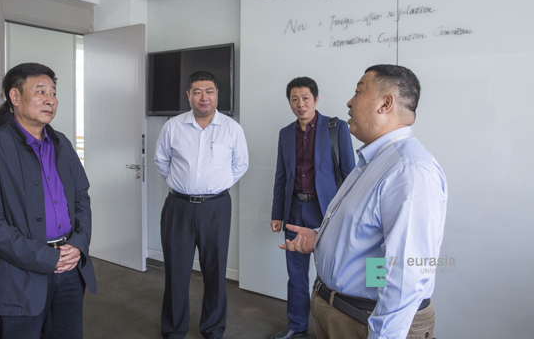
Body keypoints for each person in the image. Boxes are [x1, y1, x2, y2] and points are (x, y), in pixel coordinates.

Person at [281, 64, 447, 339]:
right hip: (346, 314)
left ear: (385, 103)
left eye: (358, 92)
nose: (349, 101)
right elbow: (373, 242)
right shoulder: (373, 161)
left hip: (363, 321)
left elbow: (405, 273)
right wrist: (321, 239)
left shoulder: (409, 171)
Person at [0, 62, 96, 339]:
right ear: (14, 96)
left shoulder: (62, 144)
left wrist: (78, 243)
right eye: (40, 91)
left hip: (69, 270)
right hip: (16, 276)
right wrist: (47, 258)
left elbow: (81, 198)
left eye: (53, 92)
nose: (50, 99)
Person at [155, 71, 249, 339]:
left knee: (215, 272)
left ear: (217, 95)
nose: (203, 97)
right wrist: (182, 184)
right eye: (197, 92)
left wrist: (216, 186)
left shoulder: (232, 128)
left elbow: (240, 164)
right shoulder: (173, 127)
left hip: (216, 208)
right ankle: (174, 329)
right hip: (178, 208)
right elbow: (161, 161)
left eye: (209, 91)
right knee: (176, 272)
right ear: (189, 96)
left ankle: (213, 328)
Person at [270, 77, 355, 339]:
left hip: (327, 212)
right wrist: (277, 213)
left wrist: (347, 214)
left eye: (305, 98)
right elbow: (281, 175)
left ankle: (334, 329)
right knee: (296, 275)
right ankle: (297, 326)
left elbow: (349, 174)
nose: (300, 104)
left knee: (331, 274)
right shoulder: (286, 133)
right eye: (294, 99)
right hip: (295, 211)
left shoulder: (336, 128)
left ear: (316, 100)